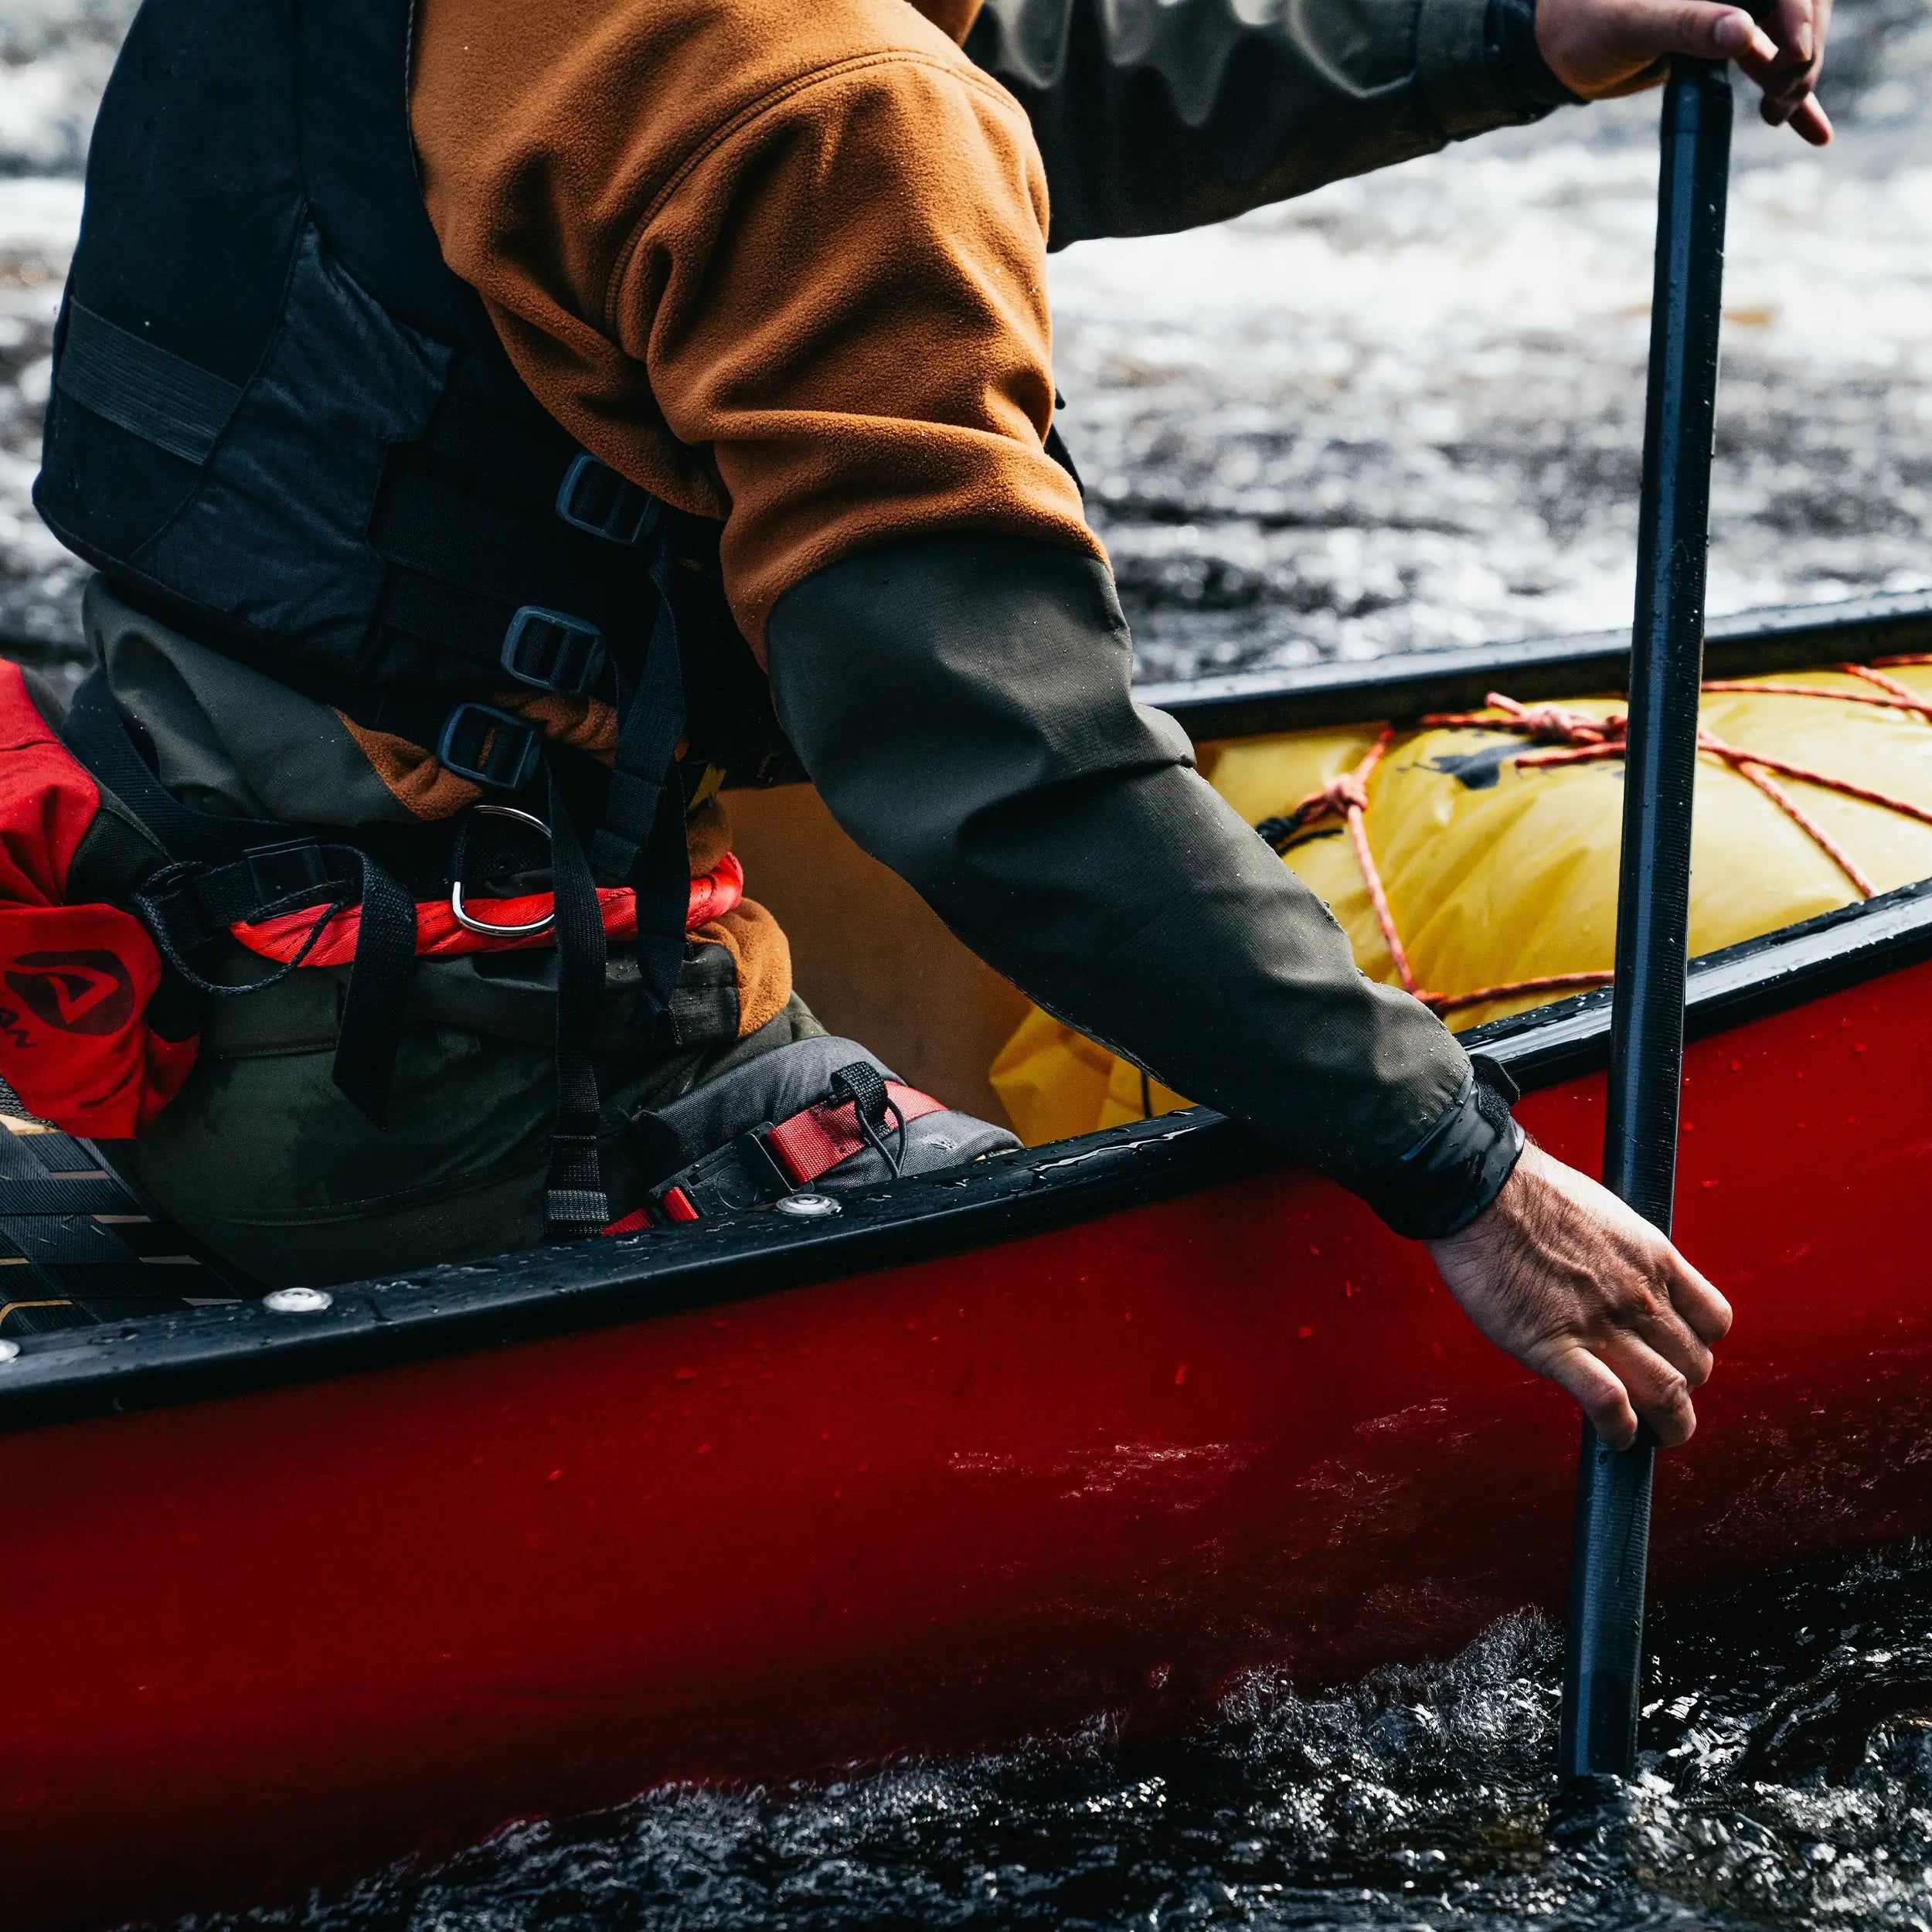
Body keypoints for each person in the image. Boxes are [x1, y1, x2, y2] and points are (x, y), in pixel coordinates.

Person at [35, 0, 1828, 1440]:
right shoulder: (824, 108)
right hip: (486, 1097)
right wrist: (1464, 1171)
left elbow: (971, 72)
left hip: (175, 974)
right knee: (1193, 1358)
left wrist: (1500, 33)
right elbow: (1008, 768)